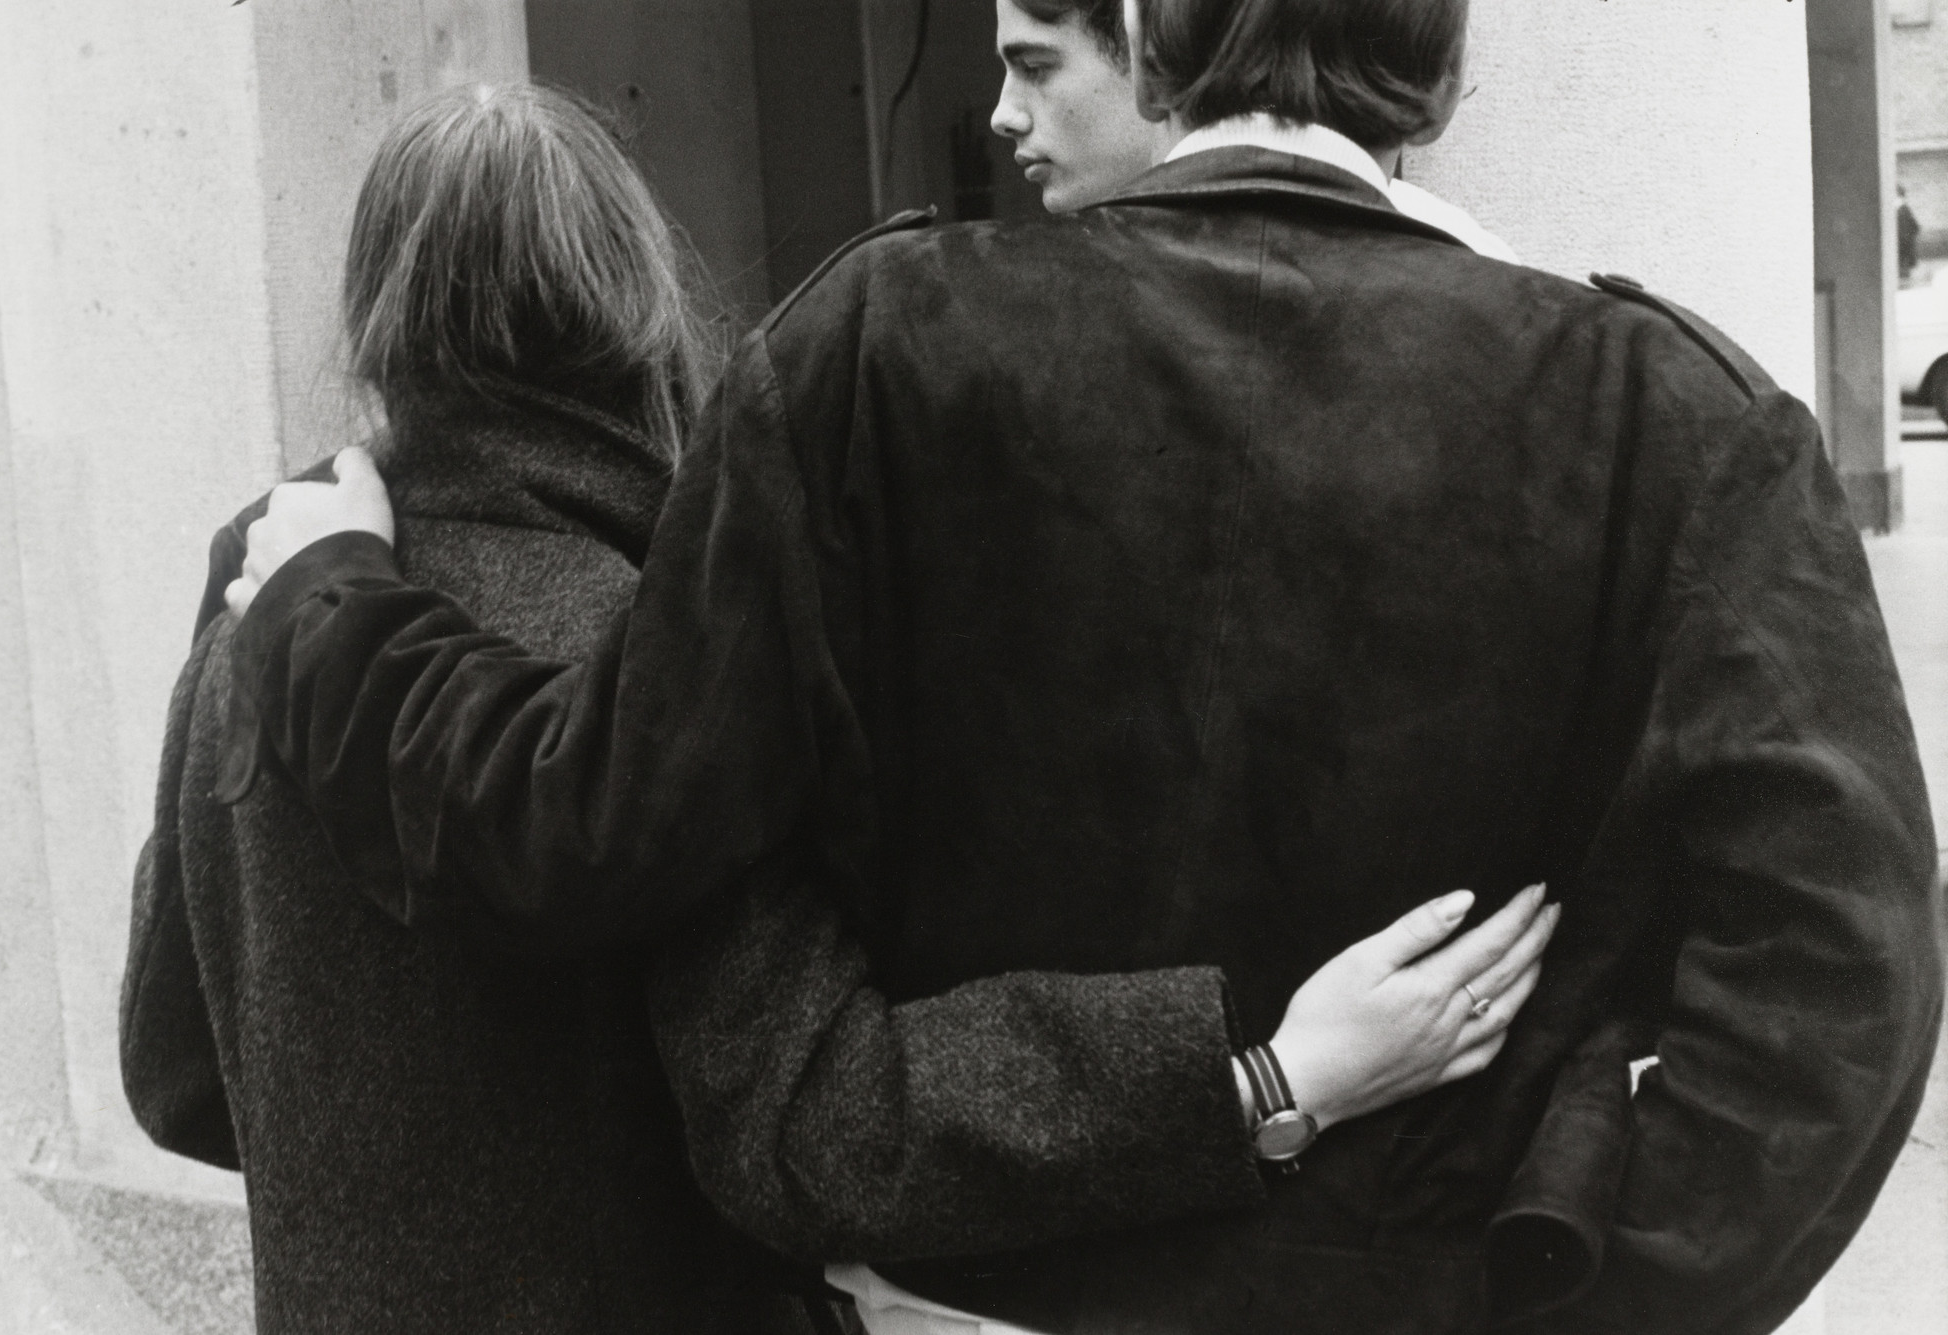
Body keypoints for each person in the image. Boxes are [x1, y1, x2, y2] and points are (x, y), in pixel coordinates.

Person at [219, 1, 1942, 1331]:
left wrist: (324, 603)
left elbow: (581, 822)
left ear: (1167, 30)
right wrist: (1575, 1285)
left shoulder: (878, 352)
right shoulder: (1682, 420)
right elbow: (1843, 986)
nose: (996, 107)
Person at [124, 81, 1557, 1334]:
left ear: (377, 319)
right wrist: (1258, 1073)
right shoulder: (660, 642)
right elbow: (824, 1128)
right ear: (636, 305)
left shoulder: (267, 596)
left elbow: (177, 1074)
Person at [989, 0, 1518, 263]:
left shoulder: (993, 304)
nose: (1003, 114)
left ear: (1143, 49)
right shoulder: (1513, 299)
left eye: (1037, 66)